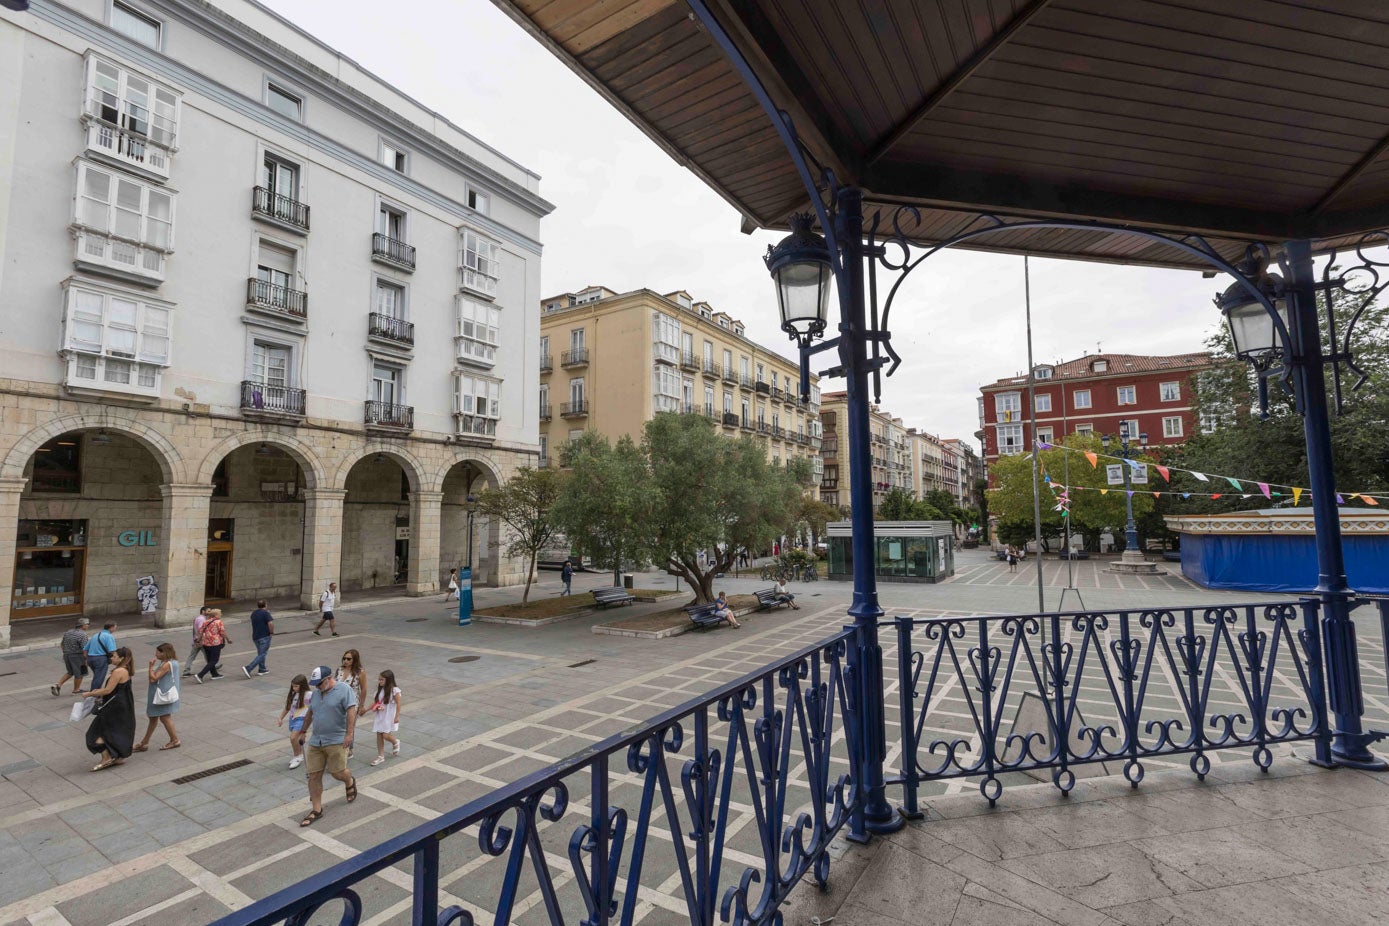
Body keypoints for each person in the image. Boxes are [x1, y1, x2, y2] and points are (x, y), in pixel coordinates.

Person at [299, 664, 358, 827]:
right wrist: (303, 731)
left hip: (336, 739)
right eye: (315, 684)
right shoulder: (316, 694)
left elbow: (351, 711)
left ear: (328, 679)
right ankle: (317, 810)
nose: (317, 687)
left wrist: (349, 734)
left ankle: (349, 781)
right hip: (316, 740)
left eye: (319, 683)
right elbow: (311, 712)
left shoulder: (344, 690)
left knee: (337, 773)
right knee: (314, 775)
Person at [81, 646, 135, 771]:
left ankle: (106, 757)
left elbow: (108, 690)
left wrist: (89, 693)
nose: (112, 658)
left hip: (113, 708)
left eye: (115, 656)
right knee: (116, 731)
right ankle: (118, 755)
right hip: (122, 706)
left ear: (121, 658)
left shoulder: (118, 672)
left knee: (93, 734)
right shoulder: (126, 670)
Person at [133, 642, 180, 752]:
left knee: (164, 717)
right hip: (162, 694)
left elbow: (153, 679)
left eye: (158, 652)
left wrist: (150, 668)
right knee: (153, 718)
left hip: (161, 696)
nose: (156, 654)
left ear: (164, 653)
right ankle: (144, 743)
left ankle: (174, 740)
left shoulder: (167, 664)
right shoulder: (173, 662)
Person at [335, 649, 367, 758]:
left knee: (350, 726)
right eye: (344, 658)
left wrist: (361, 706)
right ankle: (339, 746)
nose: (345, 661)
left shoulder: (360, 672)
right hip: (338, 703)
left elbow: (363, 689)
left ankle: (349, 749)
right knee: (339, 725)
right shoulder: (339, 670)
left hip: (353, 704)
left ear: (354, 660)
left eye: (349, 659)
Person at [368, 669, 402, 766]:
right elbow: (376, 702)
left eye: (381, 680)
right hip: (380, 715)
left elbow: (399, 704)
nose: (379, 681)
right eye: (379, 679)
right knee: (379, 735)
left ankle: (395, 742)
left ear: (388, 680)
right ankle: (380, 756)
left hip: (389, 716)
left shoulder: (395, 690)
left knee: (385, 735)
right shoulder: (380, 691)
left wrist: (397, 717)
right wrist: (365, 710)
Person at [278, 674, 312, 769]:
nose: (294, 688)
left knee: (293, 738)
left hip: (302, 719)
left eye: (296, 686)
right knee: (294, 740)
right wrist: (280, 717)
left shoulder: (309, 695)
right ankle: (297, 754)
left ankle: (298, 756)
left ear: (302, 685)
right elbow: (288, 707)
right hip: (293, 718)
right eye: (293, 686)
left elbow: (314, 707)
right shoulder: (293, 694)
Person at [52, 617, 90, 696]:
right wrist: (86, 660)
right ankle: (76, 690)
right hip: (77, 656)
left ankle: (58, 685)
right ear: (83, 625)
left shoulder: (68, 632)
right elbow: (85, 648)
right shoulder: (83, 634)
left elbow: (62, 644)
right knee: (80, 672)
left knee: (70, 672)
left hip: (67, 655)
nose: (88, 626)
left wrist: (65, 653)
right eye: (87, 624)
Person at [194, 608, 230, 682]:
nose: (221, 614)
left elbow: (200, 632)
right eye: (220, 613)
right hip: (215, 644)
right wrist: (228, 639)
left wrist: (198, 640)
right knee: (214, 660)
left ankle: (214, 674)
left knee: (210, 660)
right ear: (215, 615)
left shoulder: (206, 621)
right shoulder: (218, 622)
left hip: (206, 644)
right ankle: (200, 675)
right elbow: (222, 632)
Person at [242, 600, 275, 678]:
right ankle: (248, 668)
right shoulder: (266, 613)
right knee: (263, 653)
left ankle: (262, 669)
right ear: (265, 605)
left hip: (256, 636)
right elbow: (270, 623)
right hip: (264, 636)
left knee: (260, 653)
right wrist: (271, 632)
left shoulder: (254, 613)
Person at [85, 621, 118, 691]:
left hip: (90, 658)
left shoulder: (96, 635)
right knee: (99, 678)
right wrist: (116, 658)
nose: (115, 629)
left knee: (97, 677)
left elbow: (85, 649)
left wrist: (85, 659)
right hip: (100, 659)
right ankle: (93, 695)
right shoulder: (109, 636)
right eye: (115, 628)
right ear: (111, 628)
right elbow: (112, 650)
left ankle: (96, 693)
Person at [184, 606, 209, 677]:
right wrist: (201, 639)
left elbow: (194, 630)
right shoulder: (202, 619)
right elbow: (200, 630)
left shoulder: (197, 618)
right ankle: (212, 665)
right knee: (207, 654)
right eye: (208, 611)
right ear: (203, 611)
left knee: (192, 655)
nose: (210, 612)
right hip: (200, 640)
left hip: (196, 639)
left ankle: (186, 670)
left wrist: (194, 639)